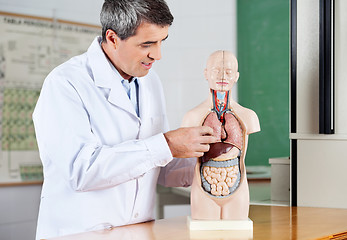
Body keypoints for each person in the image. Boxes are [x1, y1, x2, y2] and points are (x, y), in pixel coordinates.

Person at [32, 0, 216, 239]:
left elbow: (158, 168)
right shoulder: (65, 83)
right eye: (147, 44)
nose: (157, 55)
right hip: (80, 233)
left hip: (137, 231)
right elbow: (81, 170)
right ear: (112, 38)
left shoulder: (149, 81)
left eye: (162, 42)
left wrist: (206, 156)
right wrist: (167, 144)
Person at [182, 50, 260, 220]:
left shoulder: (248, 116)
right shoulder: (192, 117)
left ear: (236, 77)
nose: (222, 76)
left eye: (228, 72)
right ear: (206, 74)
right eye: (216, 70)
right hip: (203, 186)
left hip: (237, 186)